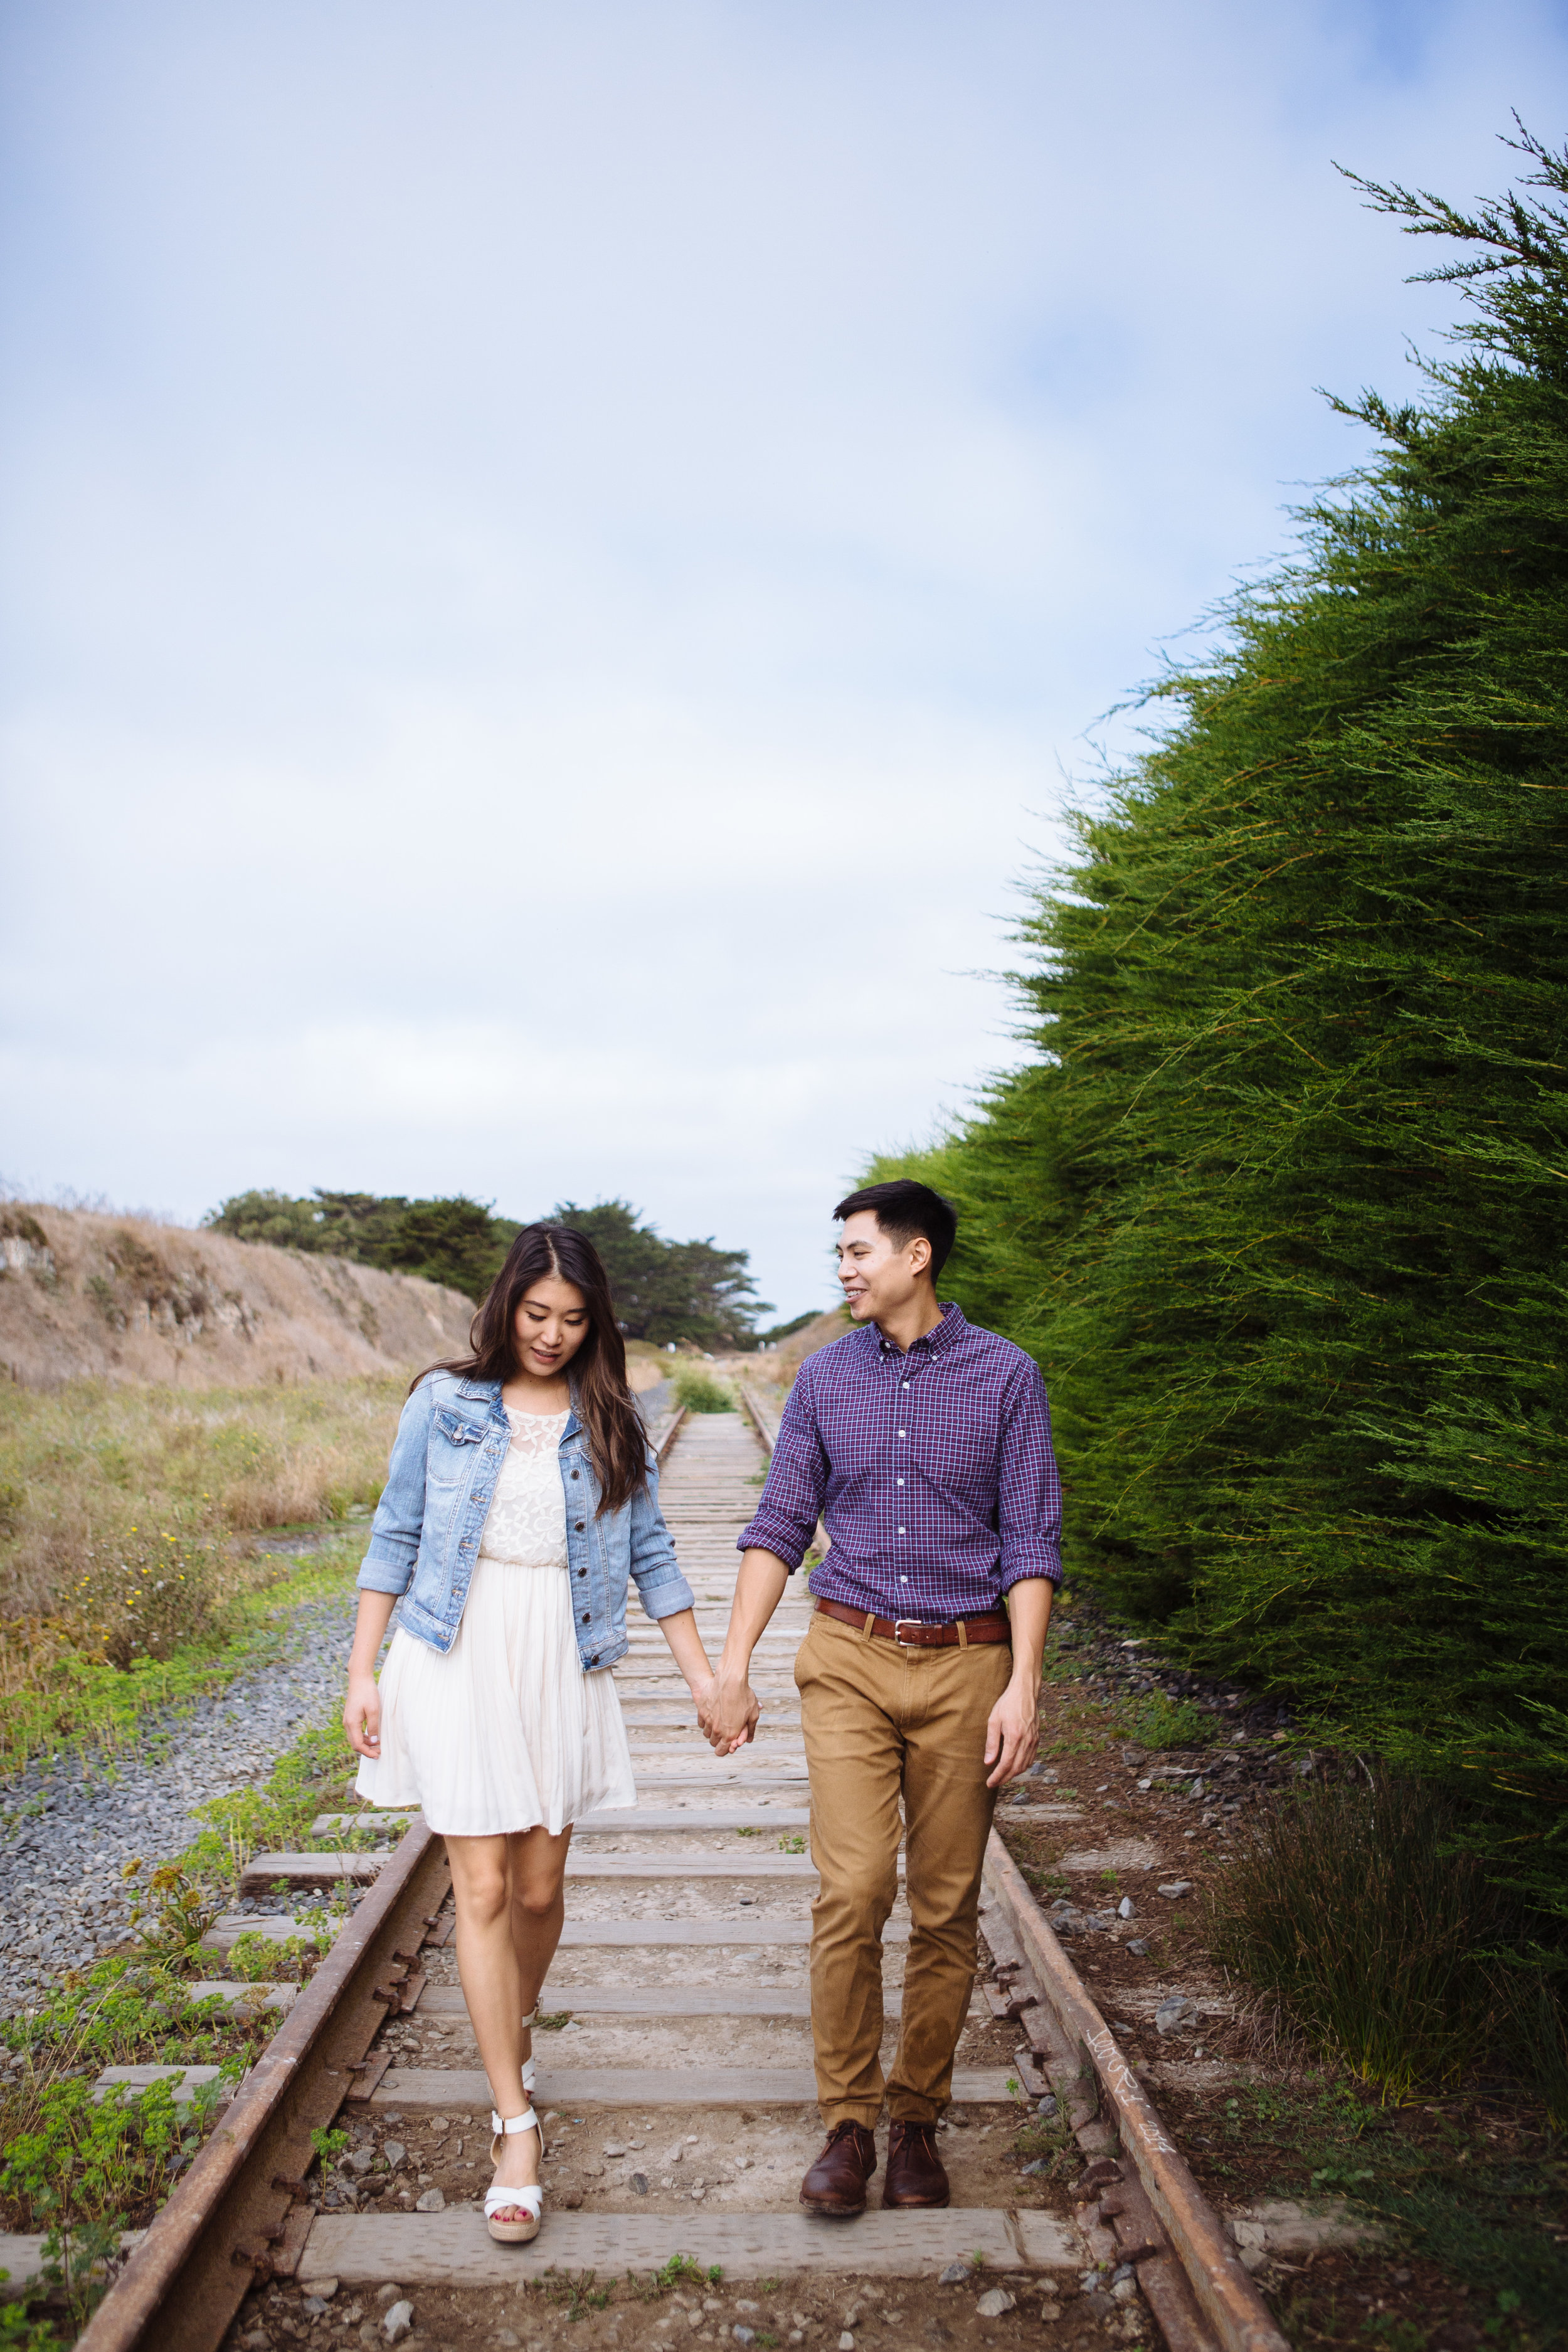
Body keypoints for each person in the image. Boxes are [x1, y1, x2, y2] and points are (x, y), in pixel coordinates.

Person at [342, 1223, 719, 2244]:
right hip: (456, 1652)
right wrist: (360, 1672)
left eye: (572, 1319)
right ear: (506, 1304)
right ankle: (516, 2122)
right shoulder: (443, 1401)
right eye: (535, 1313)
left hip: (559, 1653)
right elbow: (397, 1530)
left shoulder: (610, 1420)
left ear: (595, 1323)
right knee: (485, 1887)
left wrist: (705, 1676)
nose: (550, 1334)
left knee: (543, 1890)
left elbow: (653, 1553)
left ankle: (507, 2032)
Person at [702, 1180, 1061, 2217]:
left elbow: (1032, 1539)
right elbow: (780, 1522)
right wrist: (735, 1665)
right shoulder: (824, 1379)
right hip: (850, 1655)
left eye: (860, 1252)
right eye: (842, 1254)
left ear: (917, 1257)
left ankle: (916, 2120)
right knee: (853, 1888)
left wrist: (1023, 1685)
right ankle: (847, 2122)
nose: (846, 1269)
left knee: (946, 1906)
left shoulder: (1007, 1377)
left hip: (967, 1665)